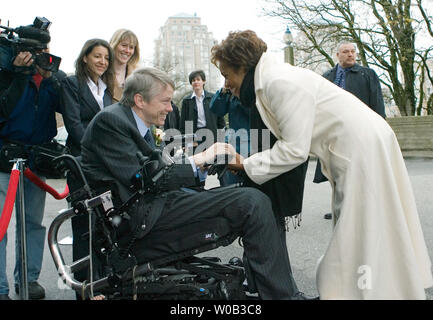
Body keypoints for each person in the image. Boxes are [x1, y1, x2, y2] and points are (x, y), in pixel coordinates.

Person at [211, 30, 433, 299]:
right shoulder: (272, 79)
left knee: (361, 228)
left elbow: (294, 149)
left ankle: (355, 292)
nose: (226, 84)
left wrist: (245, 164)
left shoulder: (277, 82)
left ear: (242, 65)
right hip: (359, 145)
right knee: (372, 225)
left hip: (360, 148)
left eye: (226, 75)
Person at [80, 67, 312, 300]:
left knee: (249, 196)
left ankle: (271, 289)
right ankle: (283, 296)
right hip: (142, 221)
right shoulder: (111, 121)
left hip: (153, 207)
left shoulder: (130, 121)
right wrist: (199, 158)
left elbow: (152, 174)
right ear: (140, 100)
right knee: (253, 202)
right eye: (166, 101)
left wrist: (198, 165)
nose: (171, 108)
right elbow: (144, 180)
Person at [0, 43, 66, 299]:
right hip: (5, 159)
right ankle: (1, 288)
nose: (39, 54)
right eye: (34, 48)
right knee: (1, 226)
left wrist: (51, 79)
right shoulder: (6, 73)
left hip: (37, 160)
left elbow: (65, 107)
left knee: (33, 224)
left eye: (44, 47)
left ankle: (29, 279)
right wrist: (17, 74)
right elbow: (4, 109)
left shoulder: (50, 78)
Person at [60, 38, 115, 289]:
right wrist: (98, 153)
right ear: (85, 58)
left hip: (107, 167)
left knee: (106, 228)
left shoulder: (108, 89)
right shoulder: (72, 84)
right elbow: (74, 125)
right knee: (84, 229)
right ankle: (83, 288)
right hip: (82, 164)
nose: (102, 62)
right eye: (97, 56)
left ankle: (103, 286)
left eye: (106, 57)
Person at [314, 42, 387, 219]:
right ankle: (340, 207)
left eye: (353, 51)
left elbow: (377, 104)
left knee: (361, 170)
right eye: (346, 52)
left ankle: (364, 208)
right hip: (334, 132)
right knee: (337, 172)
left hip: (360, 130)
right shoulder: (327, 77)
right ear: (337, 55)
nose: (350, 54)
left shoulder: (367, 74)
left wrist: (380, 129)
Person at [180, 70, 225, 150]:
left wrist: (220, 138)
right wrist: (186, 142)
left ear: (203, 81)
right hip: (194, 136)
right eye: (193, 80)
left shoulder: (212, 98)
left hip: (211, 134)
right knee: (197, 159)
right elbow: (183, 124)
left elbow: (220, 120)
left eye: (198, 79)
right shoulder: (186, 101)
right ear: (191, 83)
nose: (196, 82)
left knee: (212, 159)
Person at [109, 29, 140, 102]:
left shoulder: (139, 75)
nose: (127, 51)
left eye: (131, 47)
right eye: (124, 45)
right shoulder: (102, 73)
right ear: (114, 44)